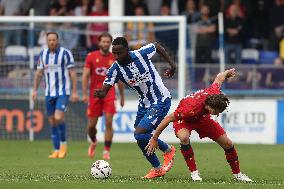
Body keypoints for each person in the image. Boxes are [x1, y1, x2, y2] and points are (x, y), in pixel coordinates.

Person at [146, 68, 253, 182]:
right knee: (184, 137)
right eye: (216, 111)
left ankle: (238, 175)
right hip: (185, 119)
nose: (217, 114)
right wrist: (154, 138)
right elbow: (168, 118)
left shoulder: (214, 93)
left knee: (228, 143)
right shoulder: (190, 109)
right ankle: (194, 173)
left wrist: (227, 73)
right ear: (208, 106)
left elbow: (218, 77)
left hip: (202, 118)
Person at [94, 37, 176, 179]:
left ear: (127, 50)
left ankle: (167, 151)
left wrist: (172, 65)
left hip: (160, 99)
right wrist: (101, 93)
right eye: (114, 53)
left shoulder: (141, 53)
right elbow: (105, 89)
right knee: (140, 137)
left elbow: (157, 45)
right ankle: (158, 168)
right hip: (144, 103)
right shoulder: (115, 69)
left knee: (140, 133)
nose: (116, 56)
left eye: (119, 53)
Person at [32, 32, 79, 158]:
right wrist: (34, 90)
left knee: (58, 118)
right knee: (52, 121)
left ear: (57, 40)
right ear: (47, 41)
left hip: (63, 92)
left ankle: (63, 145)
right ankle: (56, 149)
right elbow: (39, 74)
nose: (52, 42)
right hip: (49, 93)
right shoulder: (43, 54)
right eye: (49, 40)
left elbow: (73, 73)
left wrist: (74, 91)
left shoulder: (65, 53)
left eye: (54, 39)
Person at [82, 32, 125, 160]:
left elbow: (120, 79)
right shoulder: (91, 57)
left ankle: (106, 150)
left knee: (109, 121)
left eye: (108, 42)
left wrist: (122, 96)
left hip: (109, 94)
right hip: (94, 94)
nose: (105, 44)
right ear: (99, 42)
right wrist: (84, 94)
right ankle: (94, 141)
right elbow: (85, 76)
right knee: (91, 126)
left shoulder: (115, 58)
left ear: (110, 44)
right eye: (103, 41)